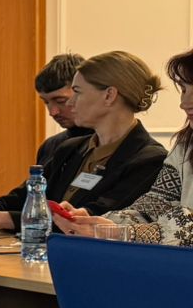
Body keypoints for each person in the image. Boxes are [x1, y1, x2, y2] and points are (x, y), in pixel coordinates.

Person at [0, 50, 167, 230]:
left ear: (109, 95)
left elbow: (93, 219)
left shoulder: (150, 159)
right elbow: (23, 198)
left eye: (77, 92)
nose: (71, 103)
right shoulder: (69, 148)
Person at [57, 47, 193, 245]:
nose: (184, 103)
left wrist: (120, 232)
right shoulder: (185, 145)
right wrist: (104, 223)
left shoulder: (151, 155)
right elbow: (154, 205)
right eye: (184, 90)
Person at [34, 52, 92, 164]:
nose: (52, 112)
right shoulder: (48, 147)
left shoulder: (107, 143)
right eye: (46, 102)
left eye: (61, 101)